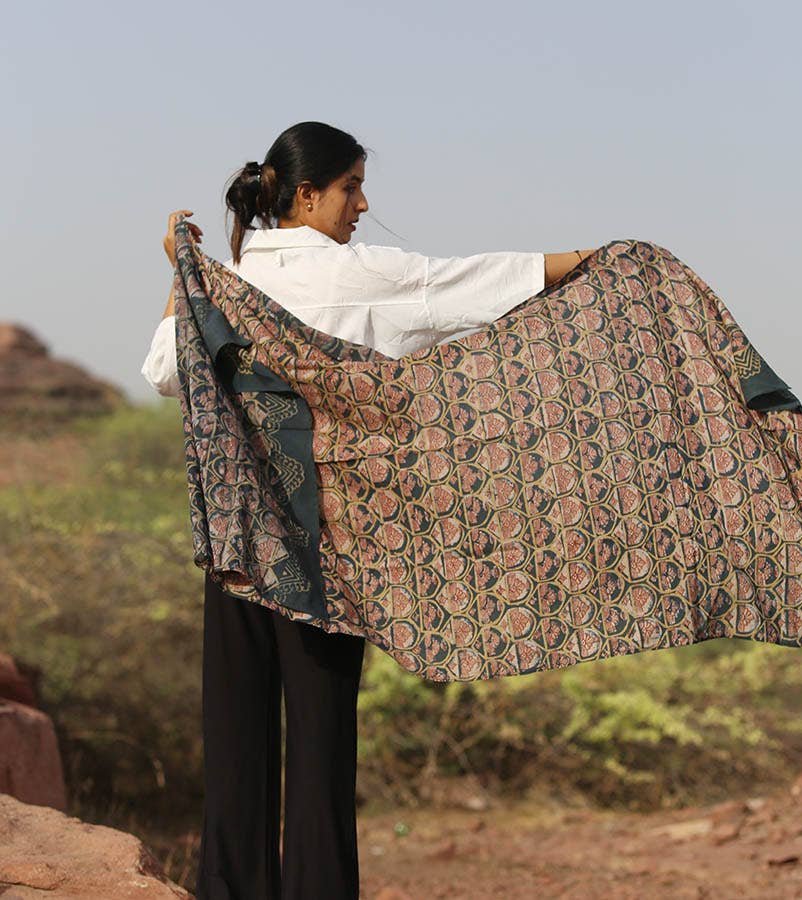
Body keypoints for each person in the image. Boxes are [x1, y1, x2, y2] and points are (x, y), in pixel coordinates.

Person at [141, 120, 596, 900]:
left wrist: (186, 278)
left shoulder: (228, 283)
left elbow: (161, 371)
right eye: (351, 187)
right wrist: (598, 262)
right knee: (319, 753)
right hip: (325, 550)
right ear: (308, 196)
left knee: (235, 745)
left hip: (236, 544)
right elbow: (478, 282)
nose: (362, 204)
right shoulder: (359, 277)